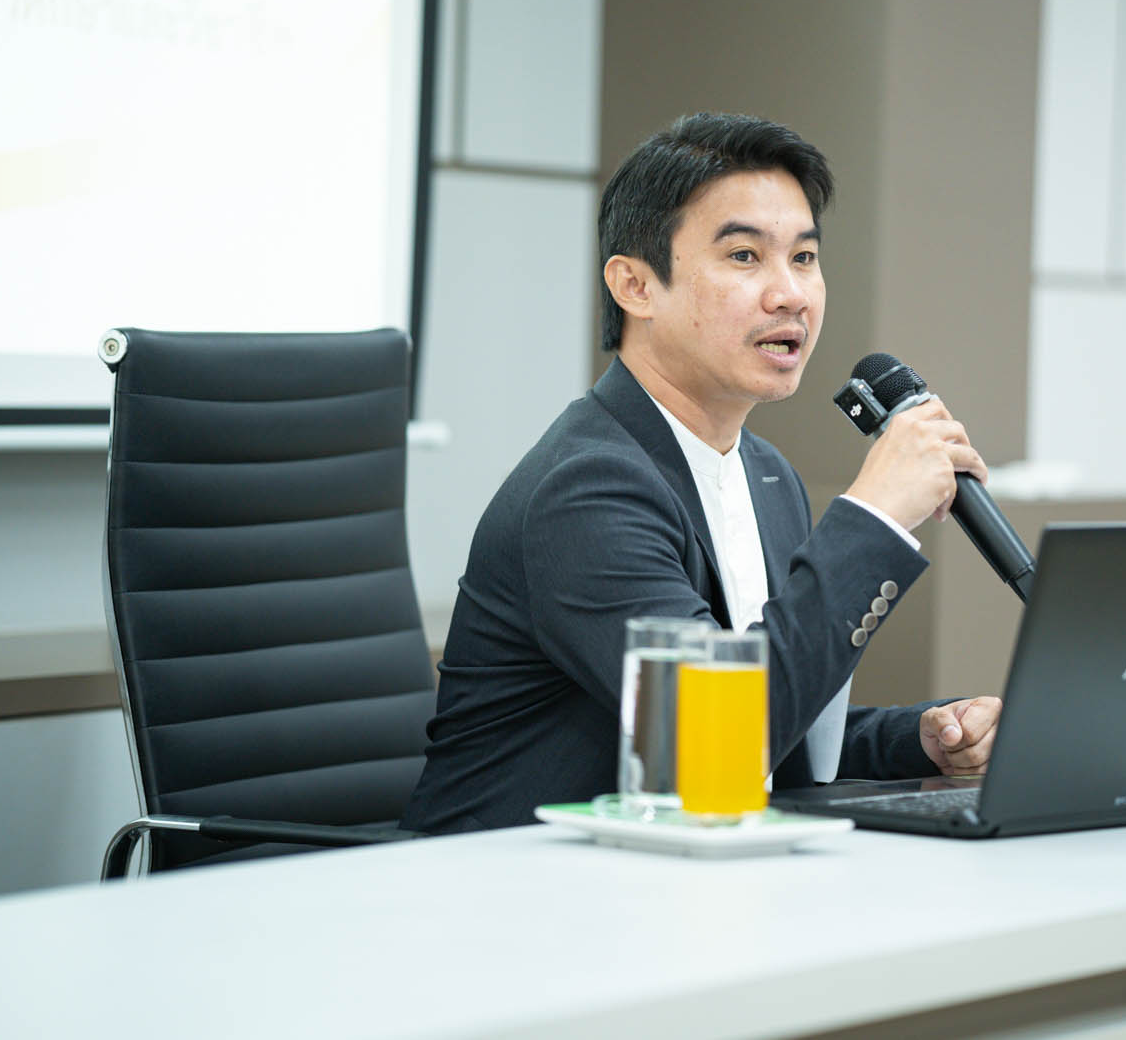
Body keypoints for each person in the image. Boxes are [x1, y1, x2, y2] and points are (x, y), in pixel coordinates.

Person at [400, 113, 1002, 834]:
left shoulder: (767, 476)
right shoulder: (587, 488)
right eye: (745, 256)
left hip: (671, 865)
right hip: (512, 879)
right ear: (634, 285)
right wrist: (874, 517)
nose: (791, 294)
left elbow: (775, 721)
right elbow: (720, 734)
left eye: (804, 257)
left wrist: (921, 738)